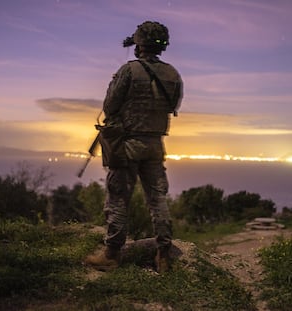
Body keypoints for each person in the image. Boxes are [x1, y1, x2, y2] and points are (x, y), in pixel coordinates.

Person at [84, 21, 183, 273]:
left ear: (139, 44)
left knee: (118, 198)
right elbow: (174, 105)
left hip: (127, 145)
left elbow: (110, 106)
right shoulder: (173, 74)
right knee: (157, 199)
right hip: (155, 145)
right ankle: (164, 255)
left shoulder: (129, 71)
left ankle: (112, 254)